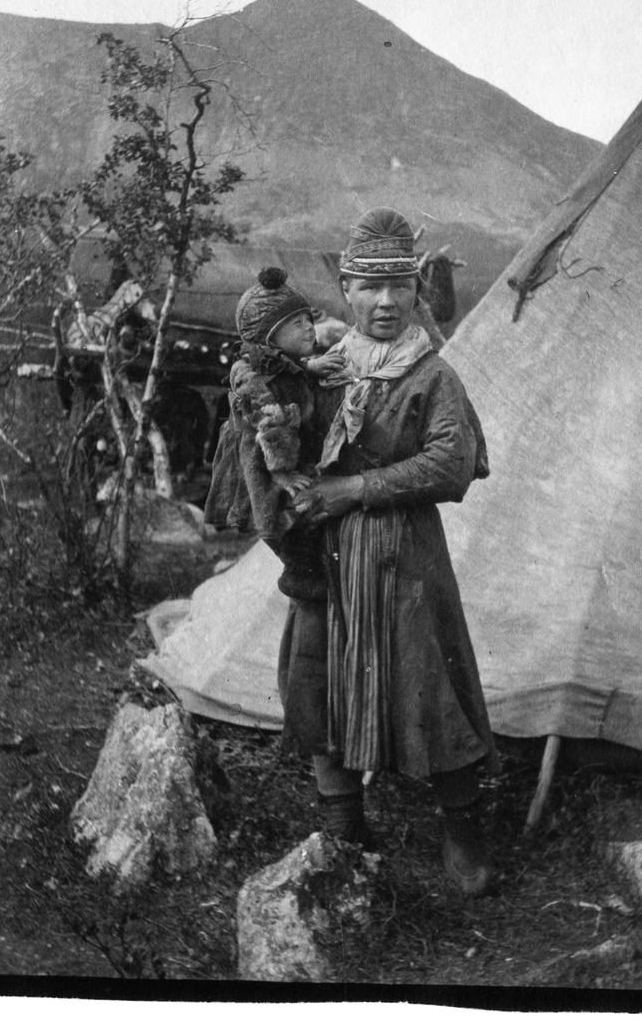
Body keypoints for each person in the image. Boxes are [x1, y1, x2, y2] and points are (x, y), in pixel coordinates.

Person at [280, 207, 499, 897]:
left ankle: (461, 831)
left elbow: (451, 465)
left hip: (406, 555)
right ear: (345, 289)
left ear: (416, 291)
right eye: (369, 287)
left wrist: (353, 489)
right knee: (319, 676)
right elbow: (281, 454)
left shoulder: (432, 377)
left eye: (398, 286)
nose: (384, 302)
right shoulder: (320, 372)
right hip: (326, 555)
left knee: (428, 678)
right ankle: (343, 824)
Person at [205, 267, 344, 601]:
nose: (309, 327)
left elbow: (286, 368)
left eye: (308, 319)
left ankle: (307, 568)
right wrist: (282, 474)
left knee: (305, 510)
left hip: (285, 446)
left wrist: (310, 367)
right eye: (296, 323)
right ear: (268, 337)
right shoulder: (251, 377)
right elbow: (270, 426)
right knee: (279, 514)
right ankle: (299, 575)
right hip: (262, 458)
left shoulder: (277, 361)